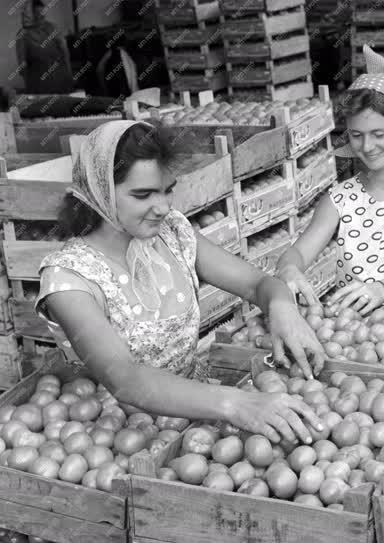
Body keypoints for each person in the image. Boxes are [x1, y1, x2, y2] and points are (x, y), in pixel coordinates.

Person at [36, 120, 326, 445]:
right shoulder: (70, 278)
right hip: (112, 436)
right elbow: (125, 379)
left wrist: (282, 307)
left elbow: (257, 285)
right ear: (99, 190)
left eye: (167, 190)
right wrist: (236, 403)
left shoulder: (173, 233)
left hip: (198, 419)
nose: (163, 207)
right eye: (142, 194)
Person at [276, 45, 384, 315]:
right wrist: (290, 269)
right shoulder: (339, 199)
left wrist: (383, 289)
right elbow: (298, 253)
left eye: (378, 134)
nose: (367, 146)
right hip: (347, 332)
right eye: (356, 135)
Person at [15, 0, 74, 94]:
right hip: (39, 86)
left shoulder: (52, 27)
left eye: (43, 12)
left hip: (61, 82)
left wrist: (69, 75)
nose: (42, 16)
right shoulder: (23, 35)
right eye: (38, 14)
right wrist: (31, 88)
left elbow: (65, 52)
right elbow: (22, 67)